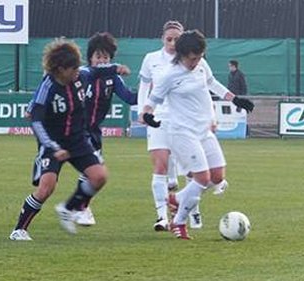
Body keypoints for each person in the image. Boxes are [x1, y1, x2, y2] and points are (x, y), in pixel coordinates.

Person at [9, 38, 127, 240]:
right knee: (47, 188)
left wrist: (116, 68)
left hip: (78, 140)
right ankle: (19, 230)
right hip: (53, 143)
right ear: (60, 69)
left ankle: (68, 208)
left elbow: (97, 71)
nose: (77, 72)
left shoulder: (82, 75)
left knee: (99, 176)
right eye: (73, 69)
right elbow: (36, 121)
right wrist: (52, 146)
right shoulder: (48, 87)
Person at [142, 30, 254, 239]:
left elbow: (212, 83)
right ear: (182, 55)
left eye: (200, 57)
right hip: (182, 132)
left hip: (204, 130)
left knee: (218, 177)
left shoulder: (201, 65)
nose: (196, 62)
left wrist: (235, 99)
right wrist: (147, 115)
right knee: (202, 178)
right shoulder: (169, 75)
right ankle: (179, 221)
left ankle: (177, 198)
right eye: (193, 58)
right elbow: (152, 100)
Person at [72, 32, 137, 226]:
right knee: (93, 169)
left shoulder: (113, 79)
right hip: (75, 129)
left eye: (106, 57)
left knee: (93, 171)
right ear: (90, 57)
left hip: (93, 131)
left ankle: (79, 207)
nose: (102, 61)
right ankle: (80, 208)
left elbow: (129, 98)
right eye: (98, 56)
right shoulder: (82, 74)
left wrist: (152, 89)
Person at [137, 20, 184, 231]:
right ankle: (161, 217)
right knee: (159, 167)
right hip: (157, 118)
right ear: (162, 39)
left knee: (193, 171)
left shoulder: (190, 60)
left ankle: (186, 211)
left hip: (183, 119)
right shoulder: (151, 59)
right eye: (169, 39)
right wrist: (142, 111)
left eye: (177, 39)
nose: (173, 43)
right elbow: (144, 86)